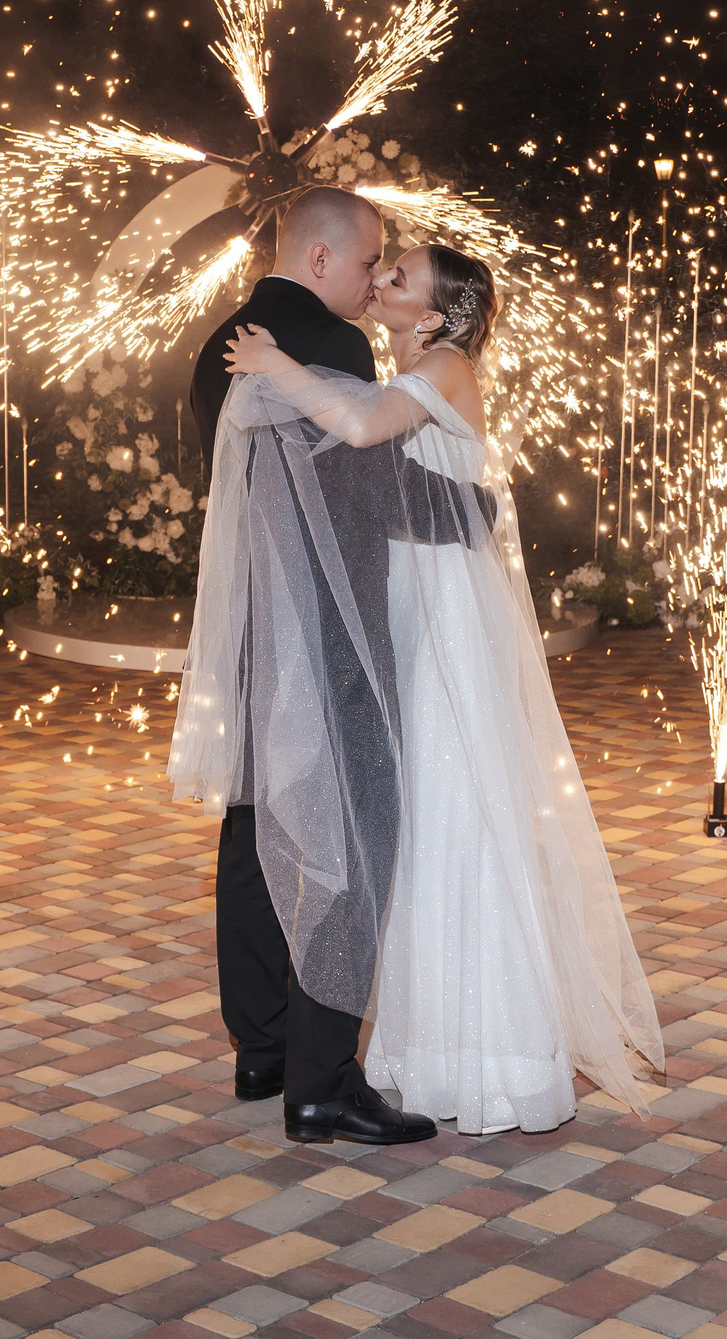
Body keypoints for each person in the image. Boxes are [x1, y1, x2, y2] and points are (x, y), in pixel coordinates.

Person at [218, 241, 664, 1133]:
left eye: (399, 276)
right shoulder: (415, 368)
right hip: (410, 603)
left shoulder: (446, 366)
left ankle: (494, 1058)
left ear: (433, 313)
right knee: (417, 824)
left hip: (446, 616)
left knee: (458, 807)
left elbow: (360, 428)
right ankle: (429, 1051)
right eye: (381, 267)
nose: (380, 279)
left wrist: (273, 365)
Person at [175, 188, 490, 1146]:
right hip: (330, 629)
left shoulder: (218, 345)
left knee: (255, 824)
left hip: (252, 624)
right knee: (346, 834)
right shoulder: (334, 345)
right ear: (320, 260)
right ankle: (322, 1081)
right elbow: (363, 491)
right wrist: (474, 512)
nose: (372, 279)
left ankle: (262, 1046)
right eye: (367, 262)